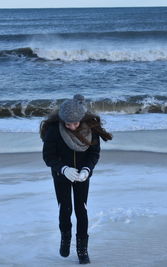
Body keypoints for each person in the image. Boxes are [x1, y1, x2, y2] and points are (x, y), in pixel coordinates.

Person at [40, 94, 112, 264]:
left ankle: (82, 250)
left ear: (81, 119)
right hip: (61, 175)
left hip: (82, 176)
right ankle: (65, 238)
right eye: (68, 124)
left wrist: (87, 170)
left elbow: (94, 153)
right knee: (65, 209)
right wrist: (63, 169)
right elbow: (48, 156)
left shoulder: (91, 129)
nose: (71, 127)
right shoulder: (54, 131)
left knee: (82, 211)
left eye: (75, 123)